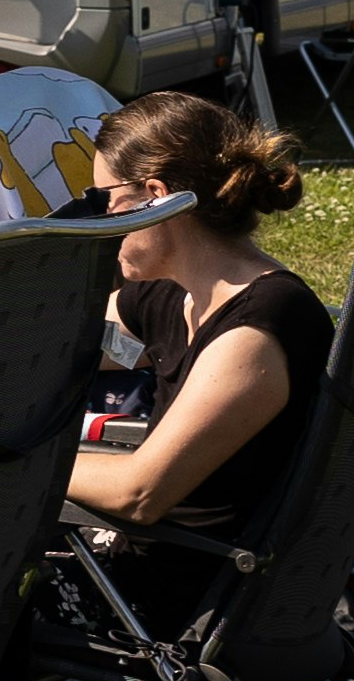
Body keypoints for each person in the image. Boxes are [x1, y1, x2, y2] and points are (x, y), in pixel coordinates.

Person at [56, 88, 329, 636]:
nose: (102, 219)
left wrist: (11, 464)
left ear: (155, 196)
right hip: (152, 564)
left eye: (104, 199)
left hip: (180, 596)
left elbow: (139, 492)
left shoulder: (258, 329)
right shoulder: (176, 296)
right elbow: (62, 341)